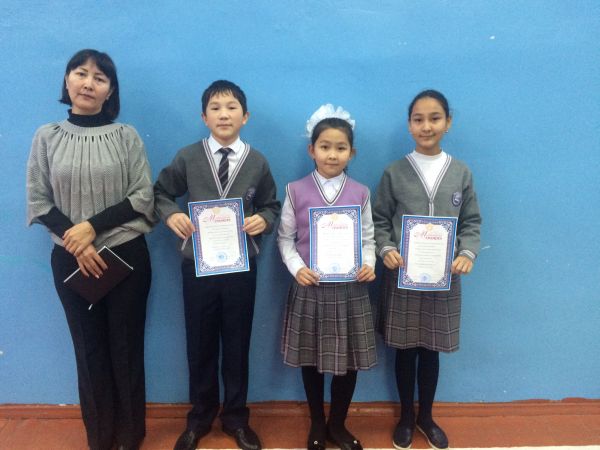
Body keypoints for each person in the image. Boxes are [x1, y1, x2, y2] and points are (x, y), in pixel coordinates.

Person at [26, 49, 155, 450]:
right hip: (70, 259)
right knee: (88, 349)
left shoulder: (126, 136)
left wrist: (91, 228)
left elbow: (142, 196)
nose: (88, 83)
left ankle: (131, 436)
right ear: (67, 80)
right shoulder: (47, 136)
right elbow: (38, 200)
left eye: (99, 78)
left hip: (125, 255)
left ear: (110, 90)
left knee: (126, 347)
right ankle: (100, 436)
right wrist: (75, 240)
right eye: (80, 73)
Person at [154, 80, 280, 450]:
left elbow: (271, 205)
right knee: (200, 343)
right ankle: (200, 417)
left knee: (238, 344)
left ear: (245, 116)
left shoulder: (257, 161)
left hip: (241, 267)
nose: (224, 114)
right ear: (204, 117)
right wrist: (171, 215)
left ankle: (236, 418)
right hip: (198, 266)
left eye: (231, 107)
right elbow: (160, 193)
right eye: (215, 108)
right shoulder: (188, 157)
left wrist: (263, 220)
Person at [373, 90, 482, 450]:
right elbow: (378, 220)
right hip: (402, 275)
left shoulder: (460, 172)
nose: (426, 126)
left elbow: (471, 221)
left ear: (448, 122)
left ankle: (426, 416)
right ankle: (406, 416)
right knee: (405, 349)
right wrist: (387, 248)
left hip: (443, 277)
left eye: (435, 118)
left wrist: (466, 253)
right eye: (418, 119)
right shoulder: (394, 172)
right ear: (409, 125)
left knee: (431, 349)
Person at [278, 105, 377, 450]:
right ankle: (318, 424)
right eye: (324, 146)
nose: (332, 154)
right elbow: (285, 238)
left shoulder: (361, 192)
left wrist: (369, 263)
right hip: (311, 286)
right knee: (311, 358)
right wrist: (297, 268)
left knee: (348, 362)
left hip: (351, 288)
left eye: (340, 147)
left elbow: (368, 239)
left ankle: (338, 424)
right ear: (312, 150)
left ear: (352, 153)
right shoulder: (295, 190)